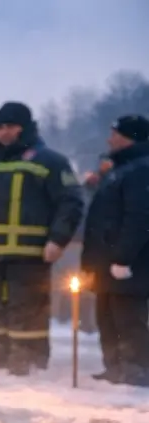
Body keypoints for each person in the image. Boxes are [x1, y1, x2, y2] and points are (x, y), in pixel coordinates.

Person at [0, 102, 83, 375]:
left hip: (31, 253)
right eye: (0, 127)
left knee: (27, 306)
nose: (4, 133)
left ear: (24, 128)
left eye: (10, 127)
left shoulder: (49, 161)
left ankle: (28, 358)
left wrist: (58, 240)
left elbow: (71, 202)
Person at [81, 115, 149, 386]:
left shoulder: (140, 169)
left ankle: (137, 368)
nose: (110, 139)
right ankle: (114, 366)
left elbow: (139, 217)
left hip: (129, 265)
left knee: (128, 318)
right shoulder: (119, 169)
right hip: (105, 262)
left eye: (115, 134)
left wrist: (123, 257)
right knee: (107, 315)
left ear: (130, 137)